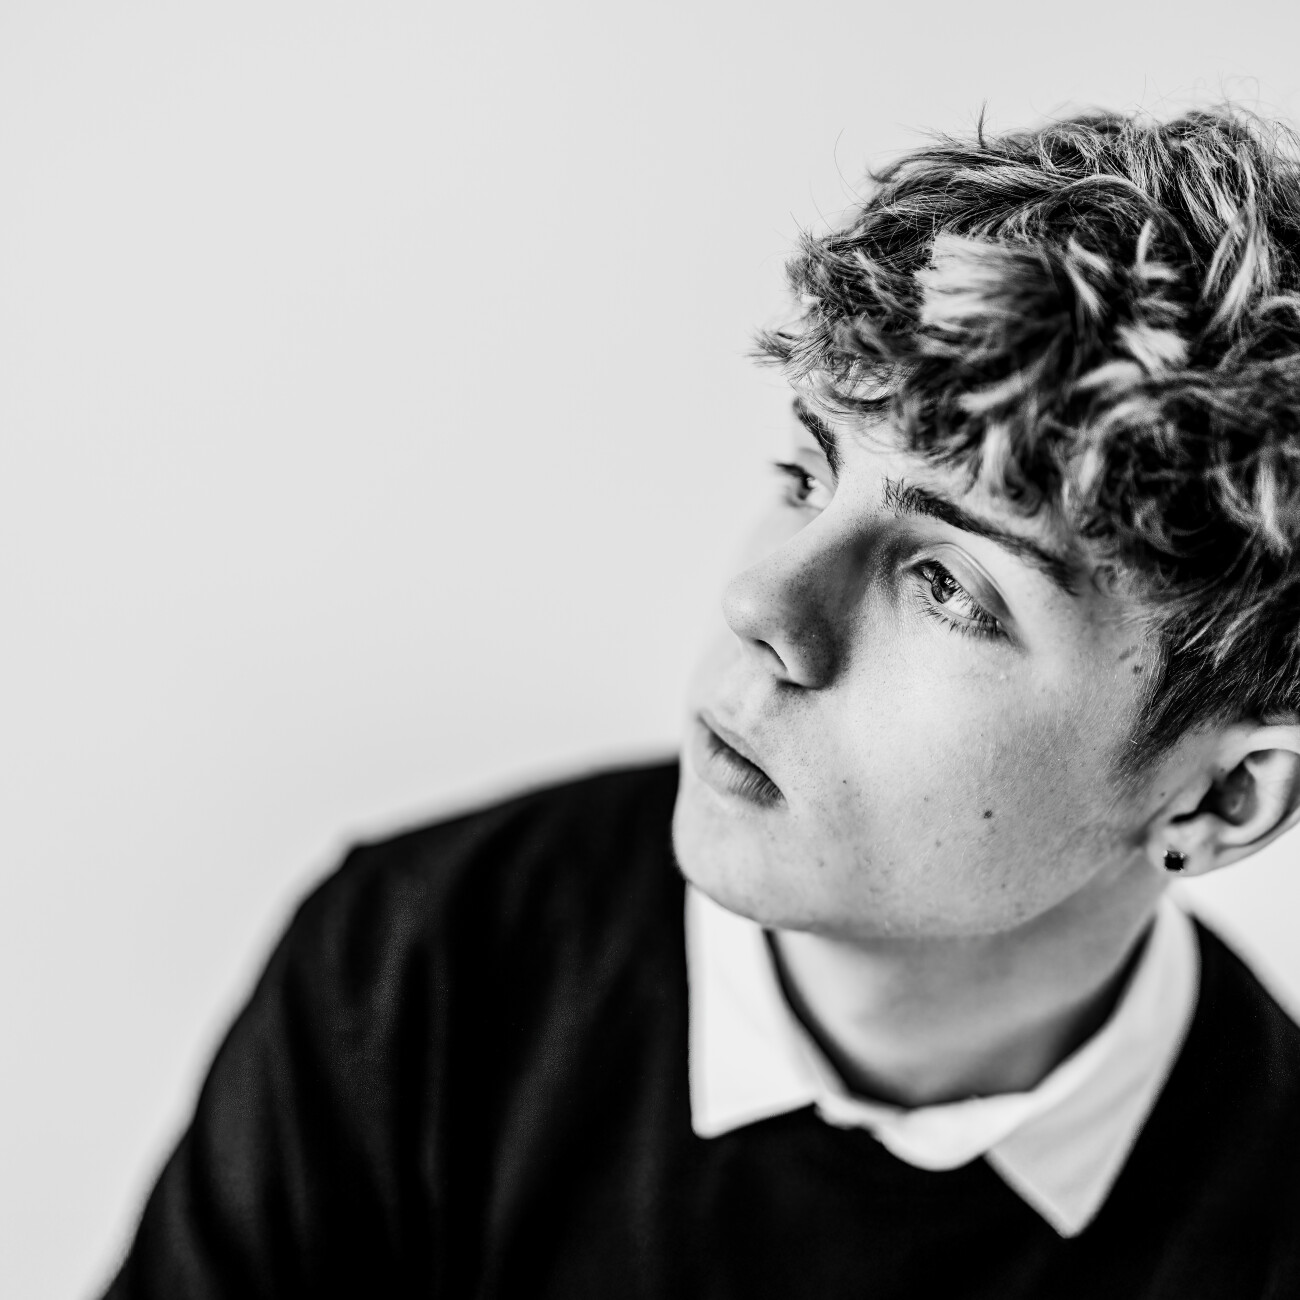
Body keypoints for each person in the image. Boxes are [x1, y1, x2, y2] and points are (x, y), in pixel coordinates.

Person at [103, 103, 1300, 1299]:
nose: (761, 600)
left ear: (1222, 798)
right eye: (805, 475)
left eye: (948, 584)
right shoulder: (420, 967)